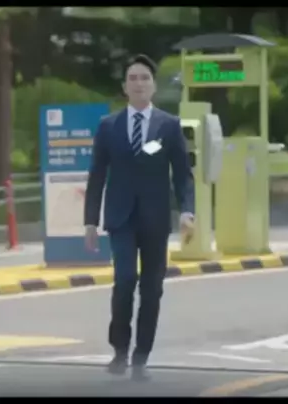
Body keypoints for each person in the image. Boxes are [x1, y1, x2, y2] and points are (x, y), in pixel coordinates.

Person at [83, 54, 195, 382]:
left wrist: (187, 211)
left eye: (144, 78)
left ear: (154, 86)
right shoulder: (109, 126)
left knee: (151, 289)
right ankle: (120, 350)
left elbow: (183, 175)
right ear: (124, 87)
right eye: (132, 78)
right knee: (125, 280)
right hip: (120, 217)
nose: (139, 84)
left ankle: (141, 357)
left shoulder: (168, 125)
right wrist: (90, 221)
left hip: (155, 218)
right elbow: (97, 174)